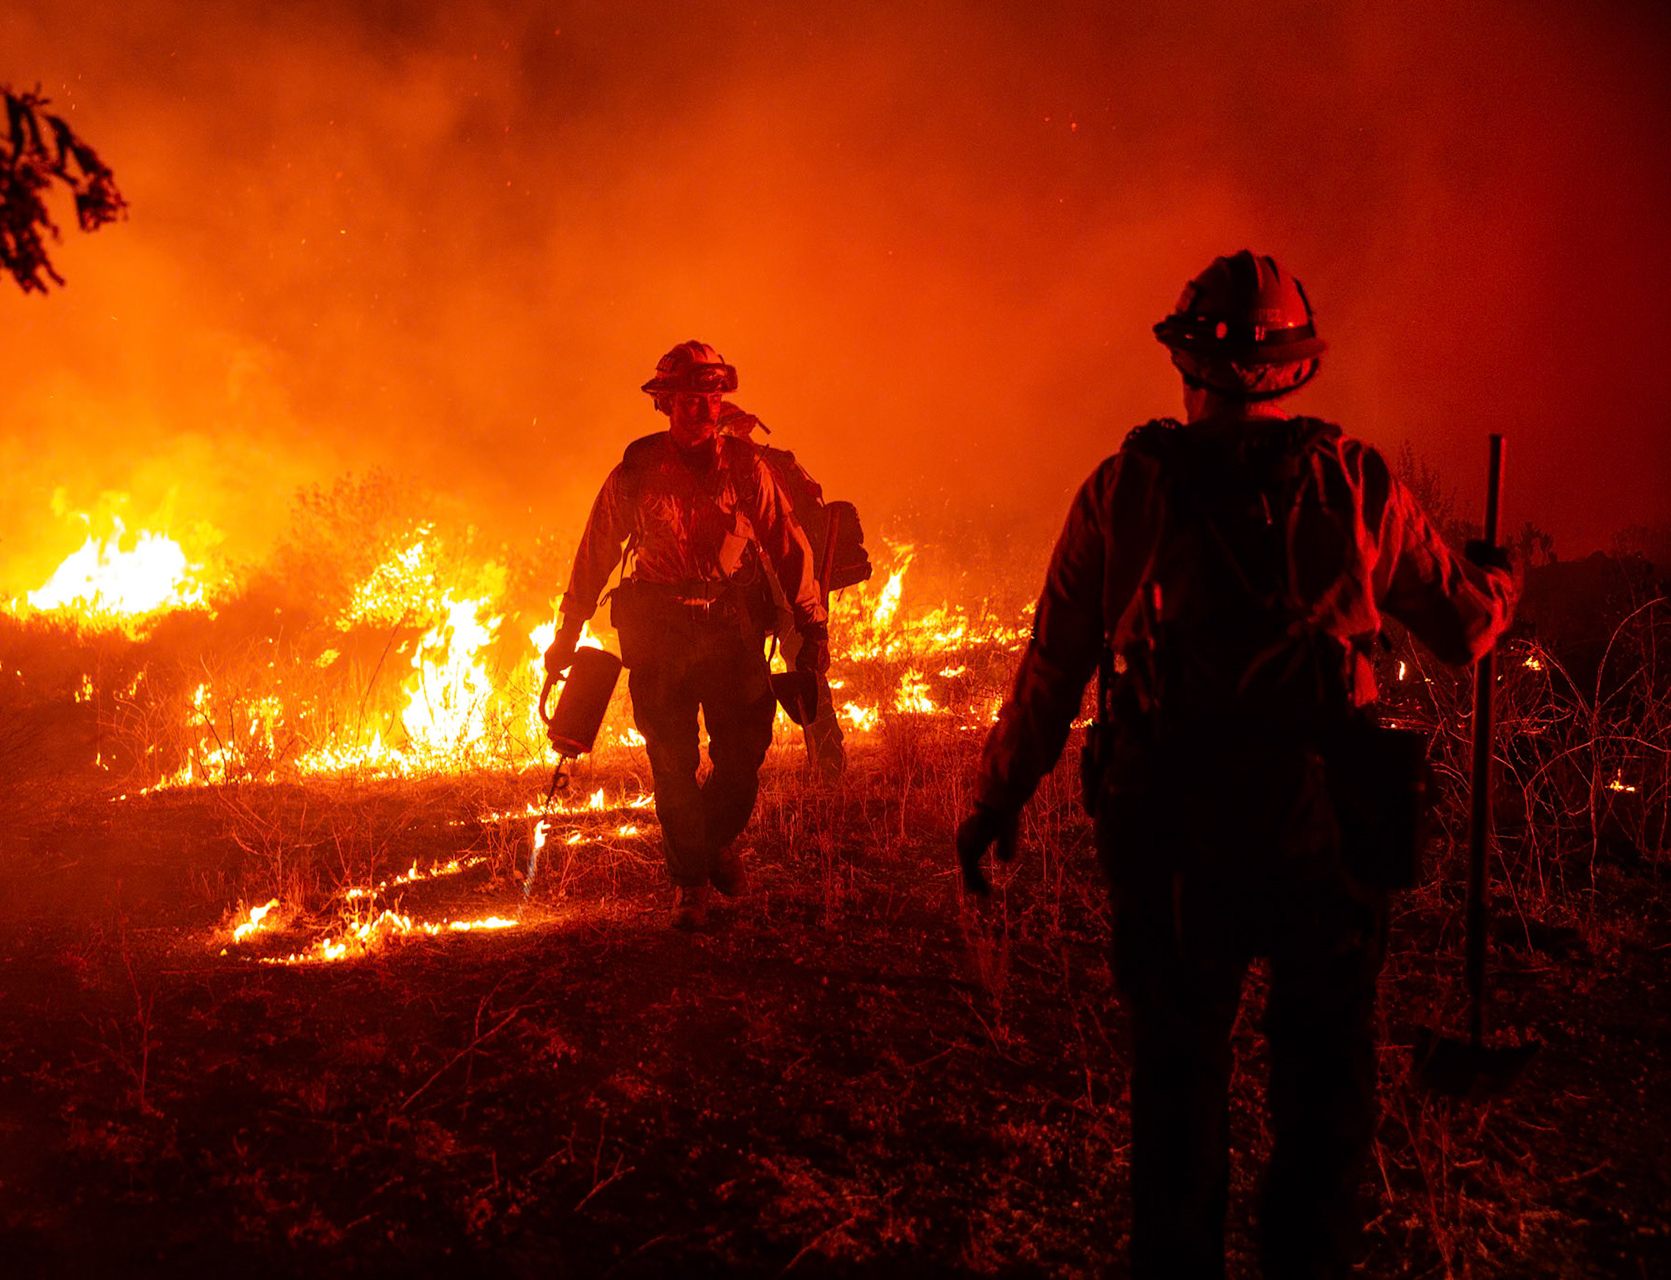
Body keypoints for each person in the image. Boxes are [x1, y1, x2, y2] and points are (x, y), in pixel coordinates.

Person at [955, 252, 1517, 1278]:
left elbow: (1054, 663)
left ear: (1186, 362)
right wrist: (1498, 578)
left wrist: (998, 793)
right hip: (1323, 836)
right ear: (1297, 368)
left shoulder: (1123, 489)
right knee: (1324, 1103)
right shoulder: (1354, 480)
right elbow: (1470, 629)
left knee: (1177, 1089)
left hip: (1171, 832)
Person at [546, 341, 829, 930]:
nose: (704, 407)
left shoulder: (749, 468)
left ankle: (713, 840)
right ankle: (690, 886)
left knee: (744, 753)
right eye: (691, 399)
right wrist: (566, 632)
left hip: (730, 627)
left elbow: (788, 542)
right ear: (666, 403)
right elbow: (593, 552)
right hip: (661, 631)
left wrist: (812, 624)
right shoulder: (637, 470)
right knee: (671, 762)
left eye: (713, 397)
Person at [718, 401, 849, 780]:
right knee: (780, 672)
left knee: (803, 671)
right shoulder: (765, 463)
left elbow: (788, 533)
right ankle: (819, 762)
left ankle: (825, 761)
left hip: (777, 585)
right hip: (762, 586)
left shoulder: (759, 466)